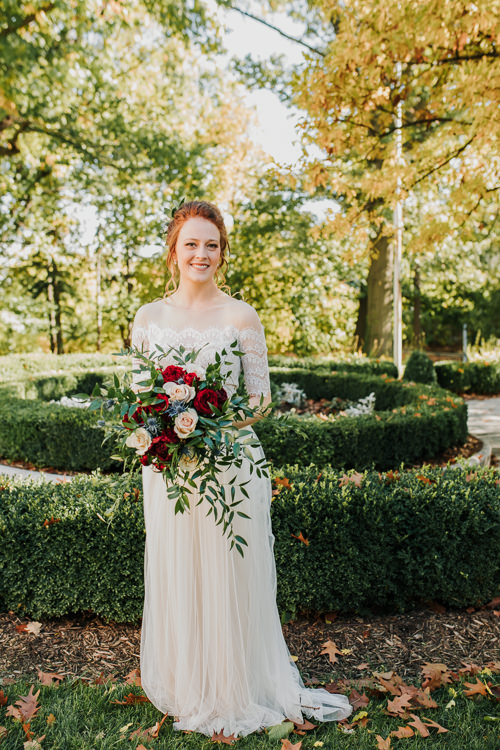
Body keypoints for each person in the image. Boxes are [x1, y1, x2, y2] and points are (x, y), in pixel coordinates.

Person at [130, 200, 352, 738]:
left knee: (229, 574)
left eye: (211, 244)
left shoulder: (240, 316)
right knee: (181, 569)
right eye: (191, 244)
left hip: (230, 465)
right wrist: (165, 430)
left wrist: (208, 429)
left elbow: (259, 401)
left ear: (222, 252)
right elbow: (137, 396)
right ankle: (189, 684)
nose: (200, 254)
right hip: (170, 470)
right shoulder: (148, 318)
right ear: (173, 251)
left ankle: (236, 684)